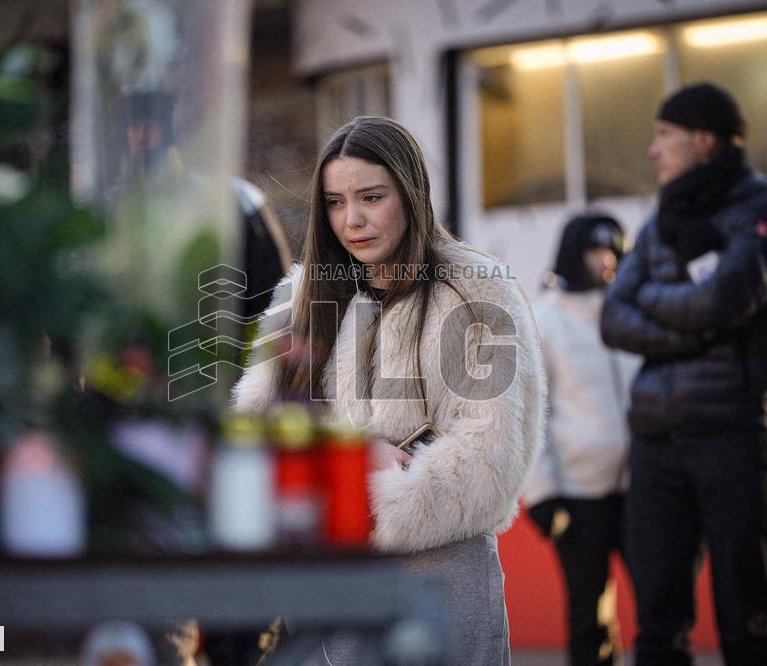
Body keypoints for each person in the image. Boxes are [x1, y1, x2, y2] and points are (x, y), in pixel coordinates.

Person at [231, 115, 546, 664]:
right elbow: (254, 432)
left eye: (371, 197)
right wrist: (336, 469)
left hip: (440, 577)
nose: (351, 220)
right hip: (325, 585)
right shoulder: (302, 297)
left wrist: (378, 488)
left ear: (411, 191)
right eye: (334, 202)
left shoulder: (474, 291)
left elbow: (492, 459)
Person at [600, 82, 767, 666]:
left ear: (705, 140)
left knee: (748, 624)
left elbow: (721, 302)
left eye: (665, 135)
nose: (652, 150)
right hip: (656, 443)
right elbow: (615, 316)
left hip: (732, 435)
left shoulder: (765, 210)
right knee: (657, 629)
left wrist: (666, 304)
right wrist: (696, 321)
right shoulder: (661, 216)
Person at [524, 213, 638, 666]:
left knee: (663, 601)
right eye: (595, 251)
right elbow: (533, 413)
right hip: (577, 495)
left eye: (613, 250)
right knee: (590, 615)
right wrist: (542, 495)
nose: (606, 261)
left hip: (642, 488)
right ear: (574, 255)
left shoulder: (632, 312)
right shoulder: (545, 320)